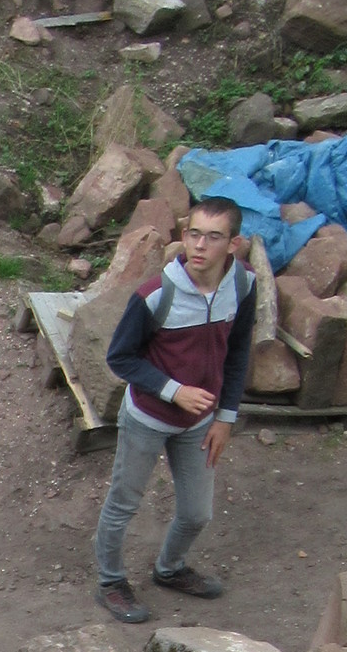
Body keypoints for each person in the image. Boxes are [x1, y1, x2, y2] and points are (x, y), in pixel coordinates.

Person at [93, 194, 255, 624]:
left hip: (200, 423)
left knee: (198, 512)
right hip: (147, 417)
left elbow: (238, 351)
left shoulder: (242, 285)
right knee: (123, 504)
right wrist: (173, 390)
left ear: (233, 245)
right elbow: (120, 358)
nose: (200, 245)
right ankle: (110, 582)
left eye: (213, 237)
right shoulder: (155, 295)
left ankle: (169, 569)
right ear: (184, 235)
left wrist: (226, 417)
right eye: (194, 234)